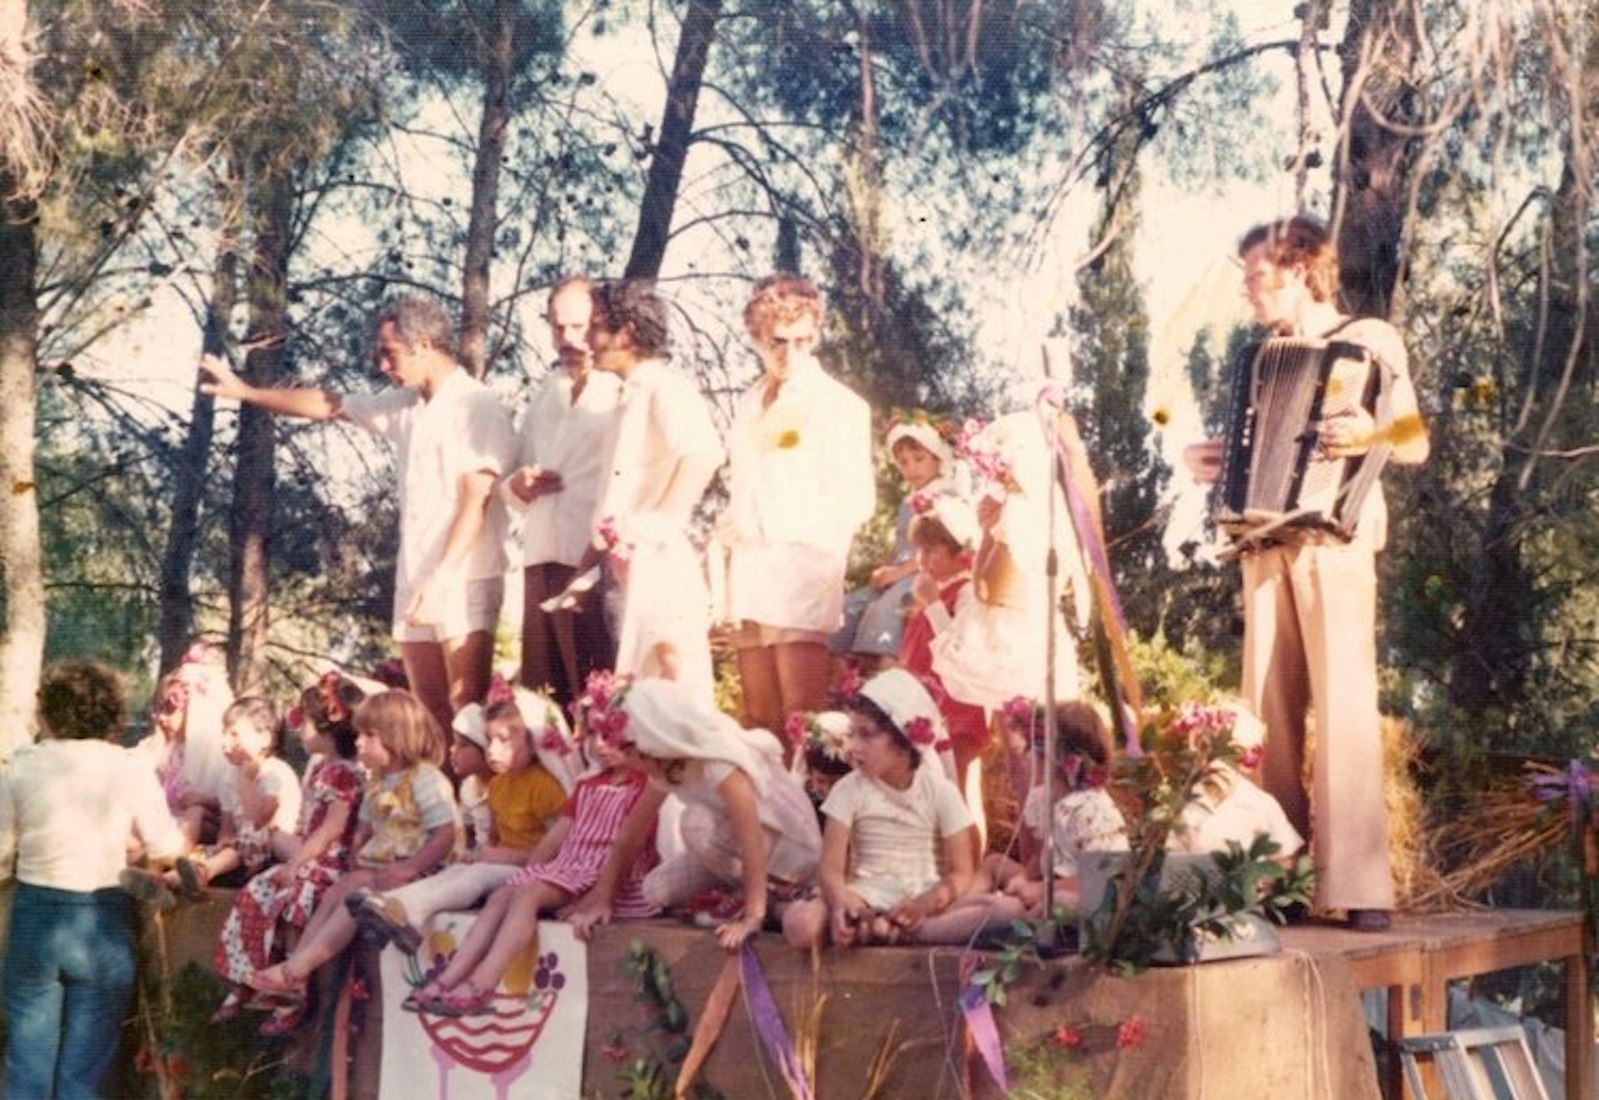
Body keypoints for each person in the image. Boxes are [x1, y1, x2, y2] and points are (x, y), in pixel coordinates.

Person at [1183, 216, 1429, 932]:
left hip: (1334, 541)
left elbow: (1411, 440)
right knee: (1264, 710)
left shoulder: (1369, 338)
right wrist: (1215, 462)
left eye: (1256, 277)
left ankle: (1358, 886)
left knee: (1344, 706)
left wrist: (1367, 434)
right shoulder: (1263, 356)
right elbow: (1258, 453)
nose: (1246, 292)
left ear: (1299, 269)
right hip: (1263, 541)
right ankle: (1276, 875)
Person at [199, 297, 517, 735]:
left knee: (467, 713)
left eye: (391, 352)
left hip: (464, 579)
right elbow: (331, 403)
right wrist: (248, 393)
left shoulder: (476, 405)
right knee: (430, 717)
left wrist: (443, 578)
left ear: (424, 344)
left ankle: (478, 806)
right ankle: (438, 804)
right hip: (415, 577)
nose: (382, 363)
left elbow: (476, 498)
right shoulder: (406, 404)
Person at [1, 661, 188, 1099]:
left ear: (47, 710)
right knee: (85, 1077)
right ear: (111, 714)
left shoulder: (21, 766)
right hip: (104, 921)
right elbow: (165, 846)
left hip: (36, 920)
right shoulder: (128, 767)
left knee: (26, 1066)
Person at [392, 710, 657, 1017]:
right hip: (570, 866)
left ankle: (482, 984)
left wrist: (594, 893)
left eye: (610, 736)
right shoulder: (588, 786)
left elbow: (631, 844)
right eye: (593, 735)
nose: (600, 744)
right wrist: (531, 869)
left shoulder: (645, 785)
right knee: (501, 895)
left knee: (528, 895)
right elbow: (556, 838)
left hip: (604, 871)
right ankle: (448, 979)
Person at [245, 690, 459, 1034]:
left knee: (354, 901)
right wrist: (359, 844)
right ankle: (297, 969)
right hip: (383, 868)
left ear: (397, 735)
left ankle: (298, 969)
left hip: (421, 870)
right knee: (338, 890)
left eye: (369, 735)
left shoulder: (424, 779)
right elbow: (363, 826)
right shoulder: (377, 781)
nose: (358, 742)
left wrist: (411, 867)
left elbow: (444, 835)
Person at [718, 274, 874, 737]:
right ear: (754, 337)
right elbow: (745, 485)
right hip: (751, 571)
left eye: (803, 341)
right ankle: (767, 811)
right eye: (777, 342)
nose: (791, 354)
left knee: (800, 721)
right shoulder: (748, 403)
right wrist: (733, 525)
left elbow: (856, 501)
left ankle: (808, 809)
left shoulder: (840, 405)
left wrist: (778, 529)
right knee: (759, 718)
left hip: (802, 571)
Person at [566, 676, 821, 952]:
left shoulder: (718, 760)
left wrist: (752, 916)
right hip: (729, 851)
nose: (628, 759)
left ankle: (759, 903)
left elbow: (752, 836)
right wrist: (602, 897)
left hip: (785, 849)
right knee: (656, 890)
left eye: (631, 749)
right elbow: (631, 832)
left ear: (658, 737)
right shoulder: (664, 767)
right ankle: (764, 902)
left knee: (694, 822)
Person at [567, 279, 723, 702]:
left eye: (597, 326)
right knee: (632, 692)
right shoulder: (625, 398)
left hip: (655, 565)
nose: (587, 339)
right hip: (617, 568)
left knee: (668, 685)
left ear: (628, 333)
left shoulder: (665, 388)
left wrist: (656, 529)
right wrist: (588, 565)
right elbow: (614, 498)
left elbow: (702, 454)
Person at [781, 669, 1002, 949]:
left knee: (1003, 911)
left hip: (924, 900)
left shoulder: (940, 792)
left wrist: (925, 904)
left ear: (902, 743)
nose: (852, 746)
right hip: (864, 898)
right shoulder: (849, 789)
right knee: (801, 924)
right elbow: (831, 870)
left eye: (866, 736)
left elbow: (961, 872)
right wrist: (841, 903)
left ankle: (899, 932)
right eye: (852, 734)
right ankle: (876, 927)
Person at [343, 695, 570, 951]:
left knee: (478, 875)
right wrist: (481, 854)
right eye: (489, 739)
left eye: (503, 740)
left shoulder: (545, 788)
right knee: (458, 871)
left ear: (533, 742)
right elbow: (496, 835)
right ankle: (397, 906)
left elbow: (562, 850)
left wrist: (502, 857)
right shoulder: (498, 785)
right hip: (504, 866)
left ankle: (413, 910)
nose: (491, 749)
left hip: (533, 872)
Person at [210, 674, 366, 1023]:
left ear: (327, 727)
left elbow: (332, 828)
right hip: (309, 853)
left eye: (303, 722)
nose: (296, 729)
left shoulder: (344, 772)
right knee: (257, 891)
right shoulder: (318, 767)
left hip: (329, 860)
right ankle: (247, 976)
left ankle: (294, 985)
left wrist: (296, 861)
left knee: (298, 894)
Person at [503, 277, 620, 708]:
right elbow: (516, 473)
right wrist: (518, 485)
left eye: (579, 326)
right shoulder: (546, 393)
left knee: (597, 694)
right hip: (541, 557)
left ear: (602, 322)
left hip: (594, 562)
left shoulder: (621, 391)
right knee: (545, 699)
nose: (567, 339)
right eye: (557, 328)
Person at [830, 413, 955, 662]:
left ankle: (884, 676)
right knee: (846, 608)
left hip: (924, 573)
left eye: (919, 459)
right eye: (904, 462)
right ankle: (844, 680)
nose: (912, 468)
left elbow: (934, 550)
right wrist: (887, 569)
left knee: (886, 609)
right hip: (900, 572)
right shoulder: (910, 500)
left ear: (938, 457)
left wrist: (898, 574)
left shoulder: (942, 497)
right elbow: (901, 545)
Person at [899, 493, 989, 811]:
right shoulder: (933, 589)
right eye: (918, 550)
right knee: (935, 787)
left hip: (958, 705)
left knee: (959, 787)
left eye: (930, 550)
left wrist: (934, 604)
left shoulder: (966, 590)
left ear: (959, 550)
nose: (922, 559)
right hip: (929, 705)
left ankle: (968, 858)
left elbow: (961, 646)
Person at [158, 696, 301, 894]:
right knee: (209, 851)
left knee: (241, 846)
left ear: (264, 739)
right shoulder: (229, 775)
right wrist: (224, 839)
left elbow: (261, 821)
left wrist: (246, 782)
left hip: (270, 850)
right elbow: (227, 826)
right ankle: (165, 880)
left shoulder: (275, 773)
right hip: (238, 852)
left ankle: (204, 873)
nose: (225, 743)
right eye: (224, 734)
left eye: (235, 735)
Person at [133, 645, 235, 846]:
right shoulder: (169, 749)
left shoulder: (221, 755)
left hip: (203, 827)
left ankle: (176, 861)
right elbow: (141, 778)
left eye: (170, 710)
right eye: (159, 709)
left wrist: (201, 800)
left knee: (194, 813)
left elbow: (231, 805)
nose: (161, 717)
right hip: (166, 823)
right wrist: (158, 740)